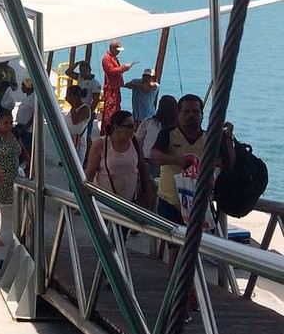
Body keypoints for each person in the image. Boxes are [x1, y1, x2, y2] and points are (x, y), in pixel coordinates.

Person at [151, 94, 235, 233]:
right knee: (175, 247)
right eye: (186, 112)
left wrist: (228, 138)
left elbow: (229, 164)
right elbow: (155, 156)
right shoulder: (168, 134)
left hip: (200, 202)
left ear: (202, 115)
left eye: (196, 112)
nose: (191, 115)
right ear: (178, 114)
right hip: (171, 201)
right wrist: (177, 160)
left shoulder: (209, 138)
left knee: (199, 246)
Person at [85, 110, 152, 204]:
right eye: (129, 127)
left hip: (131, 202)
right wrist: (85, 200)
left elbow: (143, 168)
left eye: (134, 125)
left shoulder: (136, 141)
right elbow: (90, 173)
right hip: (105, 202)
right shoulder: (101, 144)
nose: (133, 129)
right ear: (116, 127)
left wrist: (148, 195)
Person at [0, 110, 28, 247]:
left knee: (20, 204)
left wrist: (30, 164)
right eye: (5, 123)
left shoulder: (14, 133)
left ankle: (21, 234)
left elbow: (23, 149)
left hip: (14, 175)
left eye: (11, 123)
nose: (9, 126)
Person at [135, 94, 177, 177]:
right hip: (166, 160)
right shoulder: (176, 126)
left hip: (147, 157)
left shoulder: (149, 121)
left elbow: (137, 139)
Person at [65, 60, 102, 152]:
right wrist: (76, 64)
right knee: (74, 132)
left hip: (85, 110)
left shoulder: (95, 83)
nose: (83, 72)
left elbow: (95, 99)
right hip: (77, 106)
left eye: (85, 70)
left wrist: (89, 112)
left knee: (86, 134)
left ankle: (88, 155)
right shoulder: (80, 78)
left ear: (90, 70)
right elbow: (68, 72)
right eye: (81, 70)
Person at [101, 40, 133, 135]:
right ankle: (107, 130)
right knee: (109, 110)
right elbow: (111, 71)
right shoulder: (107, 58)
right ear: (112, 48)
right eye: (117, 49)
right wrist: (124, 68)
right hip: (110, 88)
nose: (118, 51)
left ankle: (114, 128)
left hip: (115, 87)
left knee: (116, 108)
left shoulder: (114, 58)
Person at [64, 85, 92, 160]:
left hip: (78, 143)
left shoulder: (85, 109)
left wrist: (73, 104)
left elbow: (75, 121)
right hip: (70, 141)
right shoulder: (73, 109)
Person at [15, 78, 35, 176]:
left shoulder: (34, 98)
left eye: (23, 85)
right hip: (21, 125)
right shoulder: (28, 97)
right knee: (22, 148)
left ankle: (29, 168)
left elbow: (34, 115)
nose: (21, 87)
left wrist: (25, 127)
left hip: (27, 128)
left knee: (26, 149)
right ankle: (27, 167)